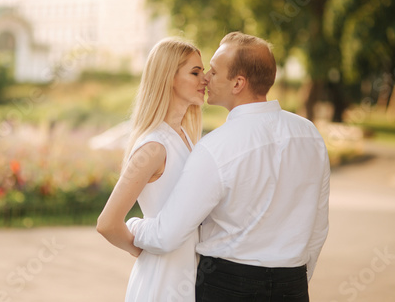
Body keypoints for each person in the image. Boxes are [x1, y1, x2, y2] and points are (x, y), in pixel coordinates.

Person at [127, 32, 330, 301]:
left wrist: (133, 226)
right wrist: (294, 279)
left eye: (213, 71)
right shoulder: (309, 135)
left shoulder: (215, 147)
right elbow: (318, 226)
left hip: (227, 285)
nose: (206, 78)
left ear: (238, 83)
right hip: (292, 283)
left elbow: (166, 235)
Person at [96, 38, 207, 301]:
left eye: (203, 71)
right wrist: (145, 251)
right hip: (161, 282)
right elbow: (107, 223)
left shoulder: (185, 138)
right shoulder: (154, 147)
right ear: (168, 77)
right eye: (195, 72)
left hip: (188, 277)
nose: (205, 79)